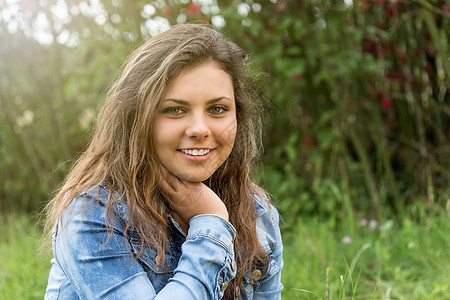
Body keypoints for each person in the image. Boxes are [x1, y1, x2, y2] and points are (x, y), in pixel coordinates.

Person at [44, 23, 283, 300]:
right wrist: (212, 225)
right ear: (138, 119)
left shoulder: (258, 214)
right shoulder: (95, 215)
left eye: (217, 109)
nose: (199, 129)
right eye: (175, 110)